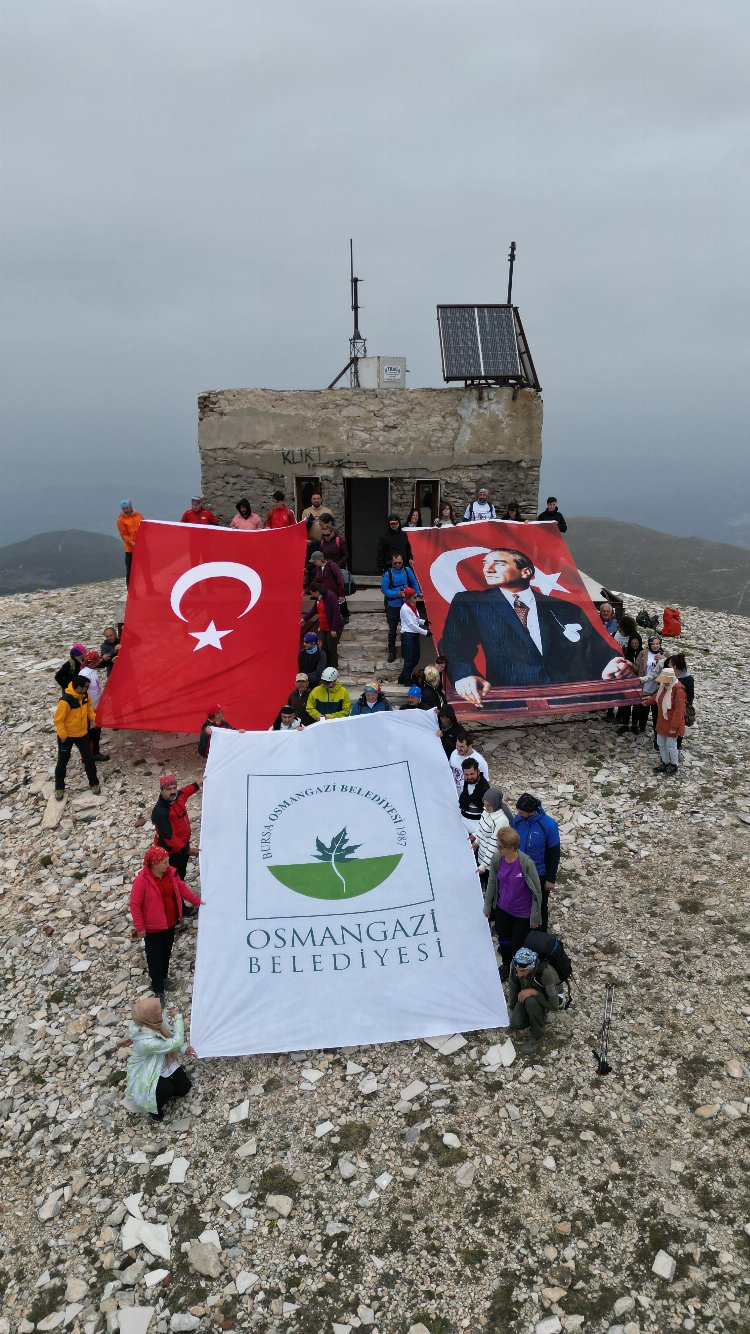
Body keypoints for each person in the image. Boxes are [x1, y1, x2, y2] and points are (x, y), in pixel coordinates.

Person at [440, 548, 630, 704]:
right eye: (485, 564)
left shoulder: (565, 608)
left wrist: (612, 663)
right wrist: (464, 675)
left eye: (498, 563)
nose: (488, 569)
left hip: (567, 701)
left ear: (526, 572)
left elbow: (595, 647)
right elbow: (454, 645)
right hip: (510, 703)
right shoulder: (471, 602)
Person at [129, 846, 203, 1002]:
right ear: (154, 864)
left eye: (167, 861)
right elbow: (135, 905)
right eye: (164, 862)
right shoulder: (142, 881)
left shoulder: (171, 873)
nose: (167, 864)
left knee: (166, 952)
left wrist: (198, 902)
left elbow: (182, 889)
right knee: (154, 957)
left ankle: (163, 977)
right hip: (152, 927)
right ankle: (158, 988)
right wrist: (140, 927)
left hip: (169, 922)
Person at [126, 996, 197, 1121]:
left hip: (163, 1063)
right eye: (158, 1012)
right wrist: (178, 1018)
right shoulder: (145, 1041)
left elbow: (170, 1037)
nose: (162, 1012)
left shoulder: (154, 1022)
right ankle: (154, 1109)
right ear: (149, 1016)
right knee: (166, 1089)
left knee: (184, 1088)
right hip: (148, 1071)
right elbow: (175, 1041)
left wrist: (184, 1048)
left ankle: (165, 1089)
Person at [485, 827, 543, 977]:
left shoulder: (526, 864)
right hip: (502, 909)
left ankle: (518, 971)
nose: (498, 849)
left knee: (517, 944)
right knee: (503, 940)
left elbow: (537, 892)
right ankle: (506, 965)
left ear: (511, 848)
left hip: (522, 914)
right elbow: (492, 882)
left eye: (500, 847)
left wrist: (535, 917)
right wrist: (487, 906)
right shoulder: (497, 859)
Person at [513, 794, 560, 932]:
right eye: (518, 811)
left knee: (539, 905)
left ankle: (540, 934)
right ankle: (524, 930)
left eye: (521, 812)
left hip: (540, 873)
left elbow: (555, 853)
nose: (518, 814)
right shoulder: (518, 820)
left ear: (531, 811)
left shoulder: (549, 825)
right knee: (521, 901)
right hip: (520, 869)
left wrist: (551, 879)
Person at [506, 945, 561, 1056]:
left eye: (522, 971)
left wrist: (534, 992)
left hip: (549, 999)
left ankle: (538, 1034)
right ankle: (535, 1014)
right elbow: (513, 986)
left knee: (531, 1002)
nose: (519, 974)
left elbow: (555, 1005)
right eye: (517, 970)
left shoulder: (546, 974)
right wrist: (511, 1007)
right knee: (516, 1024)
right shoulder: (516, 965)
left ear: (531, 967)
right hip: (526, 995)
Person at [53, 674, 100, 800]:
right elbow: (58, 720)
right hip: (67, 736)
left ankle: (94, 783)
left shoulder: (85, 695)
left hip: (82, 734)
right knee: (63, 761)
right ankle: (59, 788)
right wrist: (63, 735)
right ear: (79, 687)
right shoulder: (65, 701)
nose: (88, 688)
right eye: (86, 687)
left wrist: (92, 719)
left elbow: (89, 708)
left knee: (89, 759)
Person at [151, 774, 203, 883]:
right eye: (168, 789)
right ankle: (175, 898)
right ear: (162, 791)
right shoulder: (159, 812)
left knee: (181, 873)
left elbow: (185, 791)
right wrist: (187, 851)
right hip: (169, 852)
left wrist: (197, 784)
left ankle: (179, 894)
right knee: (172, 878)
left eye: (174, 788)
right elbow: (169, 837)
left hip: (183, 845)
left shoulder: (178, 797)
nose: (173, 791)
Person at [380, 552, 422, 663]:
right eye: (395, 563)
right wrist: (397, 594)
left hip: (407, 605)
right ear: (392, 563)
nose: (398, 565)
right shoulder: (388, 574)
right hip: (393, 606)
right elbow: (384, 589)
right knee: (392, 630)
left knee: (406, 630)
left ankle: (405, 651)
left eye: (400, 563)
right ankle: (392, 652)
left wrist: (417, 593)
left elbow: (414, 583)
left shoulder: (407, 571)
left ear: (402, 562)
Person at [473, 787, 512, 889]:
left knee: (492, 887)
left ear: (495, 803)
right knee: (484, 885)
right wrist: (477, 841)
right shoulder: (486, 811)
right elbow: (481, 828)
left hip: (491, 863)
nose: (485, 807)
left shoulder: (502, 820)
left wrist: (483, 866)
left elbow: (494, 845)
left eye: (488, 805)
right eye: (484, 804)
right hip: (482, 857)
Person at [653, 666, 686, 776]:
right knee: (661, 743)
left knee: (671, 745)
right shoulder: (664, 686)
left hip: (672, 722)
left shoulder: (679, 690)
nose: (664, 683)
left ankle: (674, 764)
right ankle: (665, 762)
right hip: (662, 720)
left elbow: (679, 712)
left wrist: (674, 727)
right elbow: (657, 697)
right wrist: (647, 701)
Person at [633, 633, 666, 736]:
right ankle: (641, 727)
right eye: (653, 644)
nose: (655, 646)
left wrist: (664, 659)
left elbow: (670, 669)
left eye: (658, 643)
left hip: (658, 687)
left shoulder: (665, 655)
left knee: (656, 711)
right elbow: (637, 667)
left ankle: (657, 732)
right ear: (649, 644)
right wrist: (629, 664)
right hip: (645, 685)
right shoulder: (643, 653)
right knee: (643, 709)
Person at [79, 650, 109, 761]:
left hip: (96, 706)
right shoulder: (85, 674)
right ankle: (91, 754)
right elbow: (81, 692)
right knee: (92, 732)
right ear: (94, 662)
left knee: (96, 730)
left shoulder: (91, 668)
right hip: (89, 708)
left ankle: (91, 753)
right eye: (98, 659)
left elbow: (100, 661)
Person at [309, 580, 343, 669]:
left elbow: (336, 614)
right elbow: (314, 610)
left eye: (313, 593)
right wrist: (304, 618)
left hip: (333, 627)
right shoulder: (319, 598)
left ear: (317, 591)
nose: (312, 595)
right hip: (323, 626)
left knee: (331, 648)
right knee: (323, 647)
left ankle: (333, 667)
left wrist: (334, 629)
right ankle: (325, 666)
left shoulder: (331, 596)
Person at [398, 587, 429, 686]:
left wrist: (425, 622)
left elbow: (416, 619)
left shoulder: (413, 606)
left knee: (416, 657)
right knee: (409, 659)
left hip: (413, 634)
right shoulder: (405, 609)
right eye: (415, 597)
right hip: (408, 635)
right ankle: (407, 681)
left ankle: (402, 677)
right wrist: (425, 632)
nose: (416, 599)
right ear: (409, 598)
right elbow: (412, 625)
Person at [665, 652, 694, 749]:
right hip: (667, 705)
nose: (667, 665)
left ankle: (677, 745)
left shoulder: (688, 679)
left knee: (678, 725)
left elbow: (690, 697)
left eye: (669, 663)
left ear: (675, 666)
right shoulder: (668, 673)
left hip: (679, 707)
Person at [616, 633, 643, 734]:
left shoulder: (644, 652)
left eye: (636, 643)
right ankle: (625, 724)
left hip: (639, 681)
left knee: (637, 705)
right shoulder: (626, 651)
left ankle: (635, 725)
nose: (634, 645)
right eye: (632, 643)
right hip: (626, 681)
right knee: (625, 704)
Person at [458, 758, 490, 834]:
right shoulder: (466, 782)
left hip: (477, 831)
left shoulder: (485, 789)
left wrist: (477, 834)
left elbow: (488, 814)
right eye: (466, 774)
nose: (469, 777)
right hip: (463, 827)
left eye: (472, 774)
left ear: (478, 772)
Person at [116, 500, 143, 586]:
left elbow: (145, 526)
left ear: (130, 507)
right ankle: (131, 591)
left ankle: (150, 589)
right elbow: (123, 534)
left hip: (142, 547)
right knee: (130, 571)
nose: (125, 510)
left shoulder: (139, 515)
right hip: (130, 550)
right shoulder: (121, 520)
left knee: (146, 569)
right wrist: (130, 542)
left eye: (127, 508)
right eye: (123, 509)